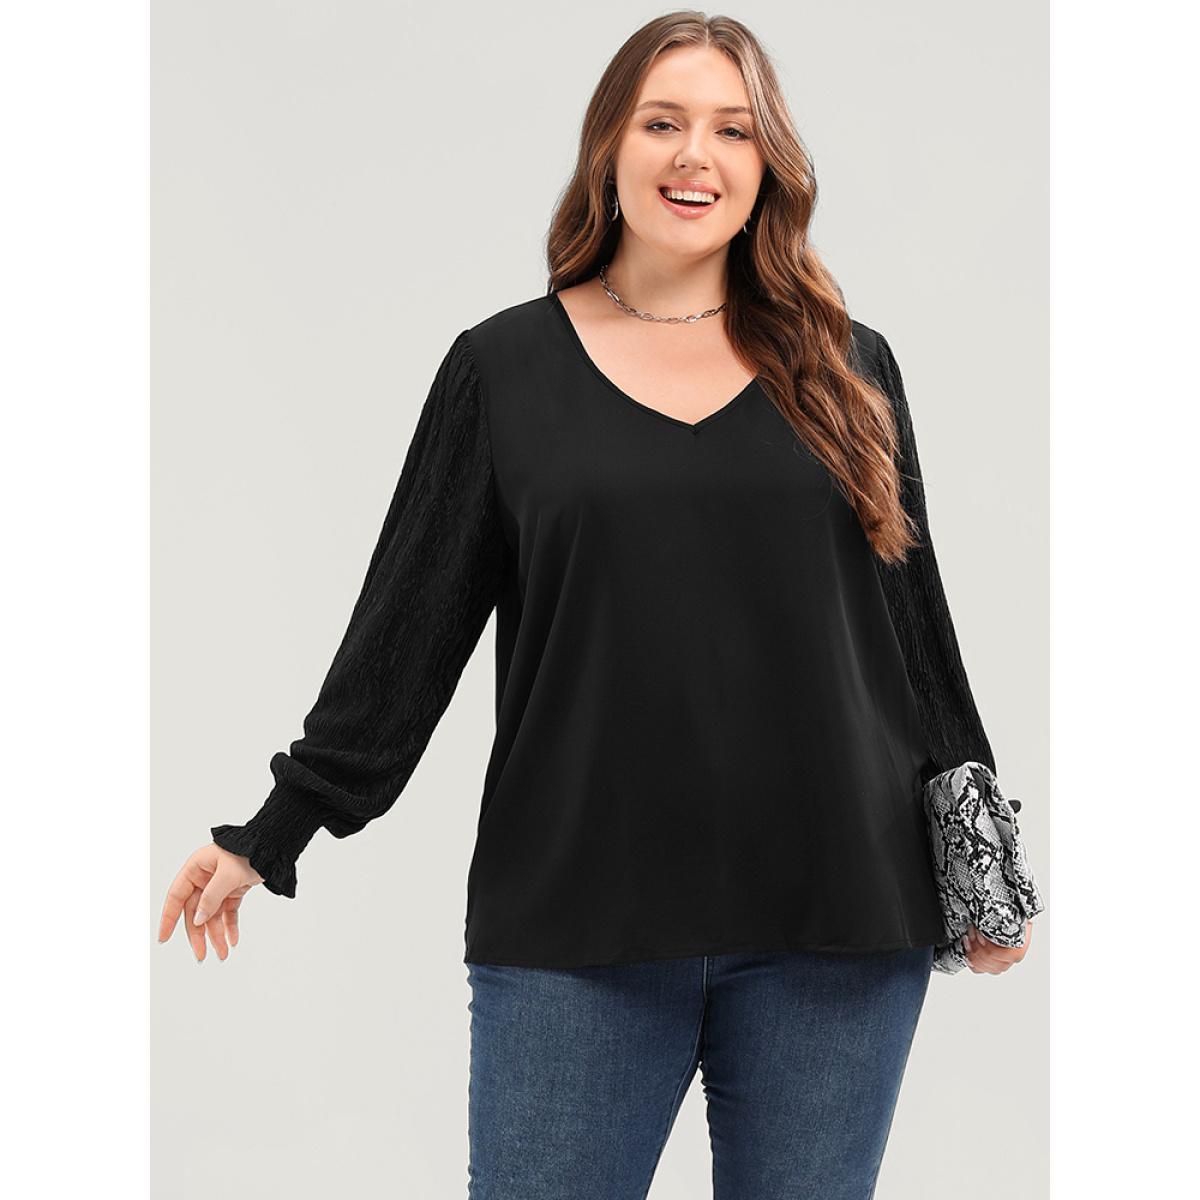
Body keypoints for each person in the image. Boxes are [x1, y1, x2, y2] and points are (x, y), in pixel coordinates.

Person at [158, 11, 1033, 1198]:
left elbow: (915, 632)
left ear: (768, 164)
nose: (696, 156)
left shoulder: (849, 366)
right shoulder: (502, 371)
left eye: (733, 129)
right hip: (577, 927)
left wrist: (983, 864)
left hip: (839, 922)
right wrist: (276, 828)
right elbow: (407, 631)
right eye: (662, 123)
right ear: (609, 148)